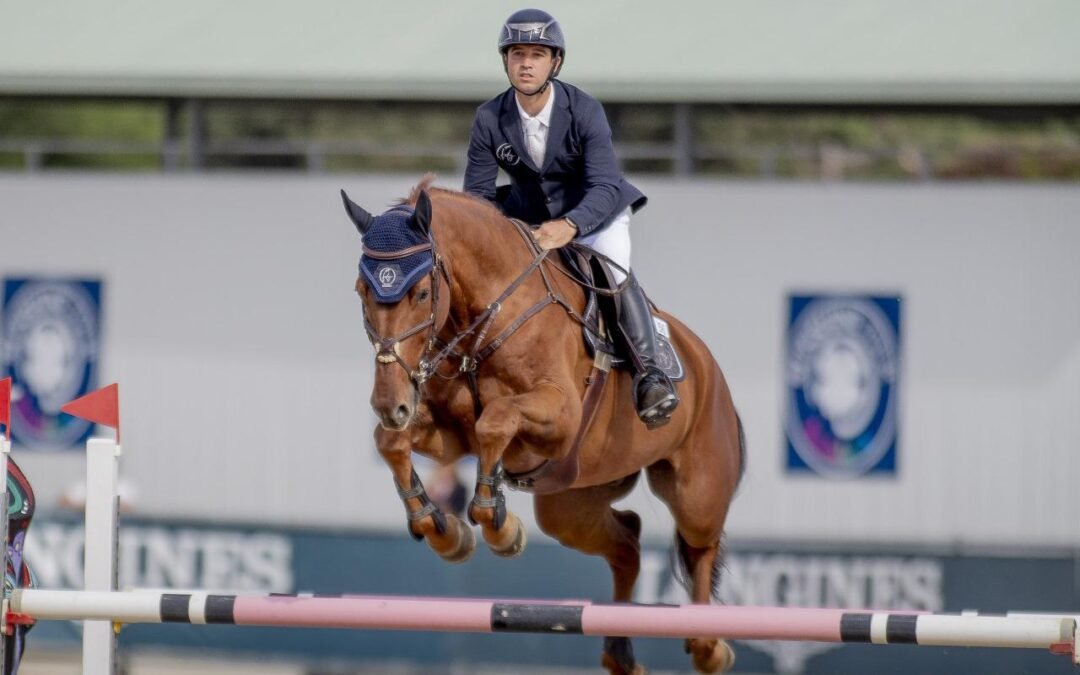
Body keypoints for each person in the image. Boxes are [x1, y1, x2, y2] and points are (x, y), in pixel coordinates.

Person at [463, 8, 679, 428]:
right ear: (506, 61)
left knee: (614, 272)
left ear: (555, 62)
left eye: (537, 55)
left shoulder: (584, 110)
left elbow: (605, 184)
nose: (526, 64)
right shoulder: (489, 117)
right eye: (517, 54)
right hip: (528, 220)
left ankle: (649, 374)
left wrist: (570, 226)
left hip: (595, 214)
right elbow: (478, 197)